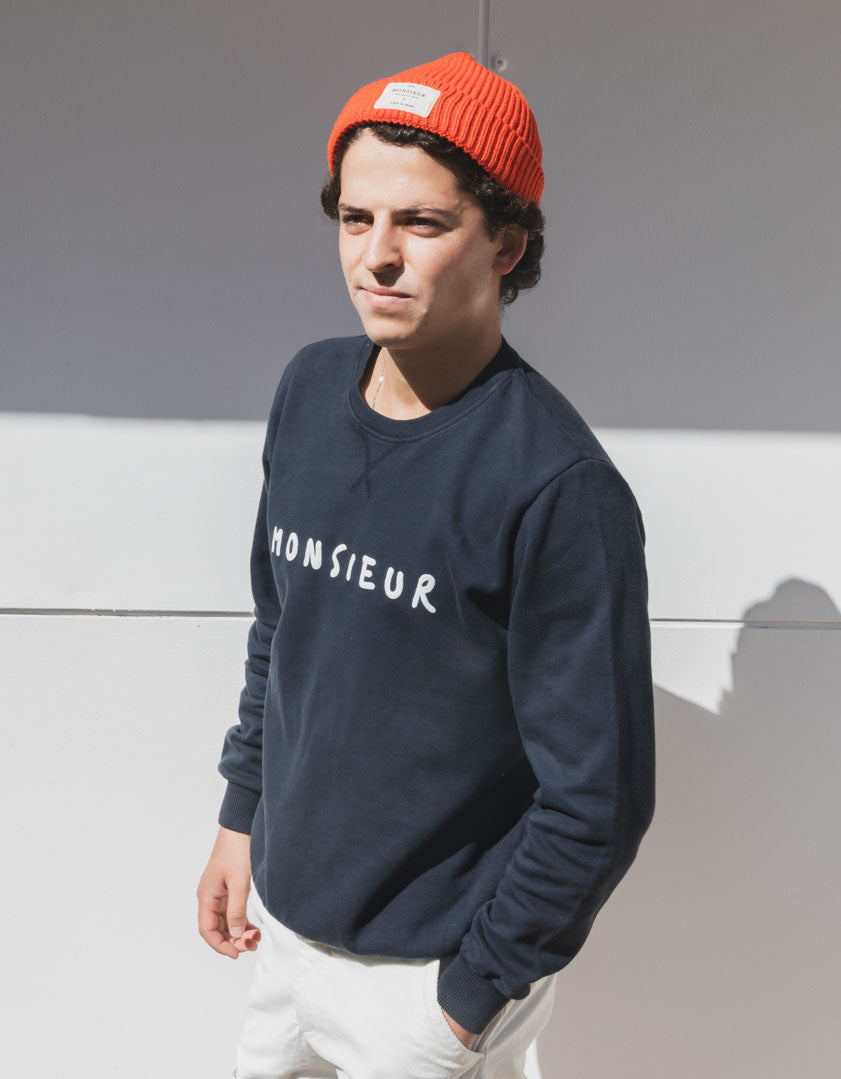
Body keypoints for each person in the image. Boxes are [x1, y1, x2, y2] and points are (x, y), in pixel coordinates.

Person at [197, 51, 655, 1079]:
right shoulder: (309, 390)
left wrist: (467, 997)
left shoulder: (558, 485)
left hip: (423, 981)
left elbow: (600, 798)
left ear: (506, 243)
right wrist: (239, 818)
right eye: (356, 218)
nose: (377, 256)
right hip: (283, 930)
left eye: (422, 222)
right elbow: (282, 629)